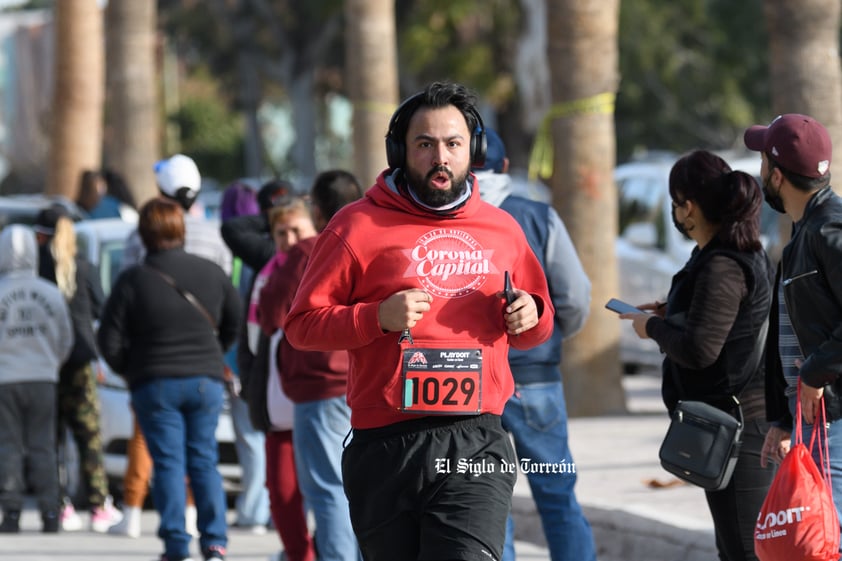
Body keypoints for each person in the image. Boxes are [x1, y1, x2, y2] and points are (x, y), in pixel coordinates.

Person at [283, 81, 555, 561]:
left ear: (475, 149)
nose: (440, 157)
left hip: (477, 440)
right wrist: (375, 318)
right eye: (425, 144)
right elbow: (303, 326)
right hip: (385, 443)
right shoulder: (355, 226)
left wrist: (529, 314)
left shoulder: (502, 229)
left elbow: (539, 323)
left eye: (453, 144)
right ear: (399, 151)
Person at [619, 149, 776, 560]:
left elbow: (701, 349)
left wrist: (650, 327)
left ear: (688, 206)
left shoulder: (723, 265)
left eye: (675, 204)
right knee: (735, 546)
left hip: (740, 428)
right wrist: (674, 312)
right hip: (728, 423)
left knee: (746, 549)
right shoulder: (722, 255)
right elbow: (724, 323)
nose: (675, 212)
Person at [473, 129, 597, 561]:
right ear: (505, 167)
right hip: (535, 378)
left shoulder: (453, 222)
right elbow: (575, 296)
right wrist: (550, 336)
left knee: (491, 503)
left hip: (474, 386)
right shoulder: (538, 217)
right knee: (557, 495)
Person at [98, 197, 241, 561]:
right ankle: (214, 542)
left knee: (168, 463)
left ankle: (177, 544)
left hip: (154, 382)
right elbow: (233, 322)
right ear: (180, 229)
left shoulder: (133, 279)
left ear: (143, 234)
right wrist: (213, 354)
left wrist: (132, 371)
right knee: (203, 460)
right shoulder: (211, 271)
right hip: (205, 381)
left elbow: (109, 339)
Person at [258, 170, 364, 561]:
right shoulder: (366, 241)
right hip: (362, 384)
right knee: (357, 487)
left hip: (318, 385)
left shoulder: (308, 252)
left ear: (317, 212)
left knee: (326, 488)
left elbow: (271, 315)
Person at [746, 115, 842, 527]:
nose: (760, 172)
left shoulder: (829, 229)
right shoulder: (804, 233)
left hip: (835, 422)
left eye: (763, 162)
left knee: (825, 544)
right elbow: (795, 332)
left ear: (777, 174)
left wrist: (817, 374)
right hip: (813, 422)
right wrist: (783, 420)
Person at [32, 205, 123, 533]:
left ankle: (60, 505)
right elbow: (103, 308)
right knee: (88, 436)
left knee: (50, 438)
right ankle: (98, 506)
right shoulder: (84, 267)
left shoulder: (36, 268)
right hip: (80, 361)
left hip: (44, 362)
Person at [254, 196, 322, 561]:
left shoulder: (326, 260)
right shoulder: (267, 271)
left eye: (298, 229)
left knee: (327, 489)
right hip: (278, 395)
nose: (290, 239)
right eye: (281, 232)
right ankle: (299, 553)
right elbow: (263, 326)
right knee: (282, 490)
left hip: (322, 389)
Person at [0, 225, 73, 533]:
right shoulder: (50, 292)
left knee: (9, 446)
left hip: (5, 379)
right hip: (43, 377)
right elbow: (65, 339)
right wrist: (50, 365)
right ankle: (50, 513)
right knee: (44, 446)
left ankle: (12, 512)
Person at [218, 181, 271, 535]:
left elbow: (239, 316)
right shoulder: (269, 251)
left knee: (250, 438)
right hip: (266, 358)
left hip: (243, 358)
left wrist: (233, 364)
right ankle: (262, 509)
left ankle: (253, 510)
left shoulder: (243, 258)